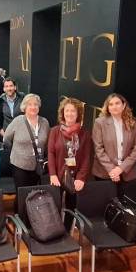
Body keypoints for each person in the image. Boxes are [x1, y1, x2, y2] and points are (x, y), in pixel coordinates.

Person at [48, 97, 93, 228]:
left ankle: (67, 231)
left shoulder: (84, 134)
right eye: (67, 111)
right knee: (54, 205)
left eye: (73, 111)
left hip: (74, 177)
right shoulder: (55, 131)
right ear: (62, 113)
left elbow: (86, 158)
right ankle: (54, 230)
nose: (69, 114)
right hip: (57, 175)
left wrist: (81, 178)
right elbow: (50, 153)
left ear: (78, 114)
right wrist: (52, 174)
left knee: (71, 206)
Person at [92, 93, 136, 186]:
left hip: (126, 172)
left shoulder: (135, 123)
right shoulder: (99, 123)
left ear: (123, 105)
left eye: (117, 103)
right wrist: (112, 170)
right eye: (111, 104)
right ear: (107, 108)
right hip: (104, 173)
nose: (114, 107)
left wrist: (121, 168)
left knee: (124, 200)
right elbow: (98, 149)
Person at [3, 94, 50, 190]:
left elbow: (47, 143)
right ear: (24, 107)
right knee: (22, 194)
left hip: (37, 165)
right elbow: (6, 139)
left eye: (36, 104)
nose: (33, 107)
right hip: (20, 165)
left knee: (34, 194)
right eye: (30, 104)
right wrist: (18, 151)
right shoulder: (18, 121)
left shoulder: (45, 122)